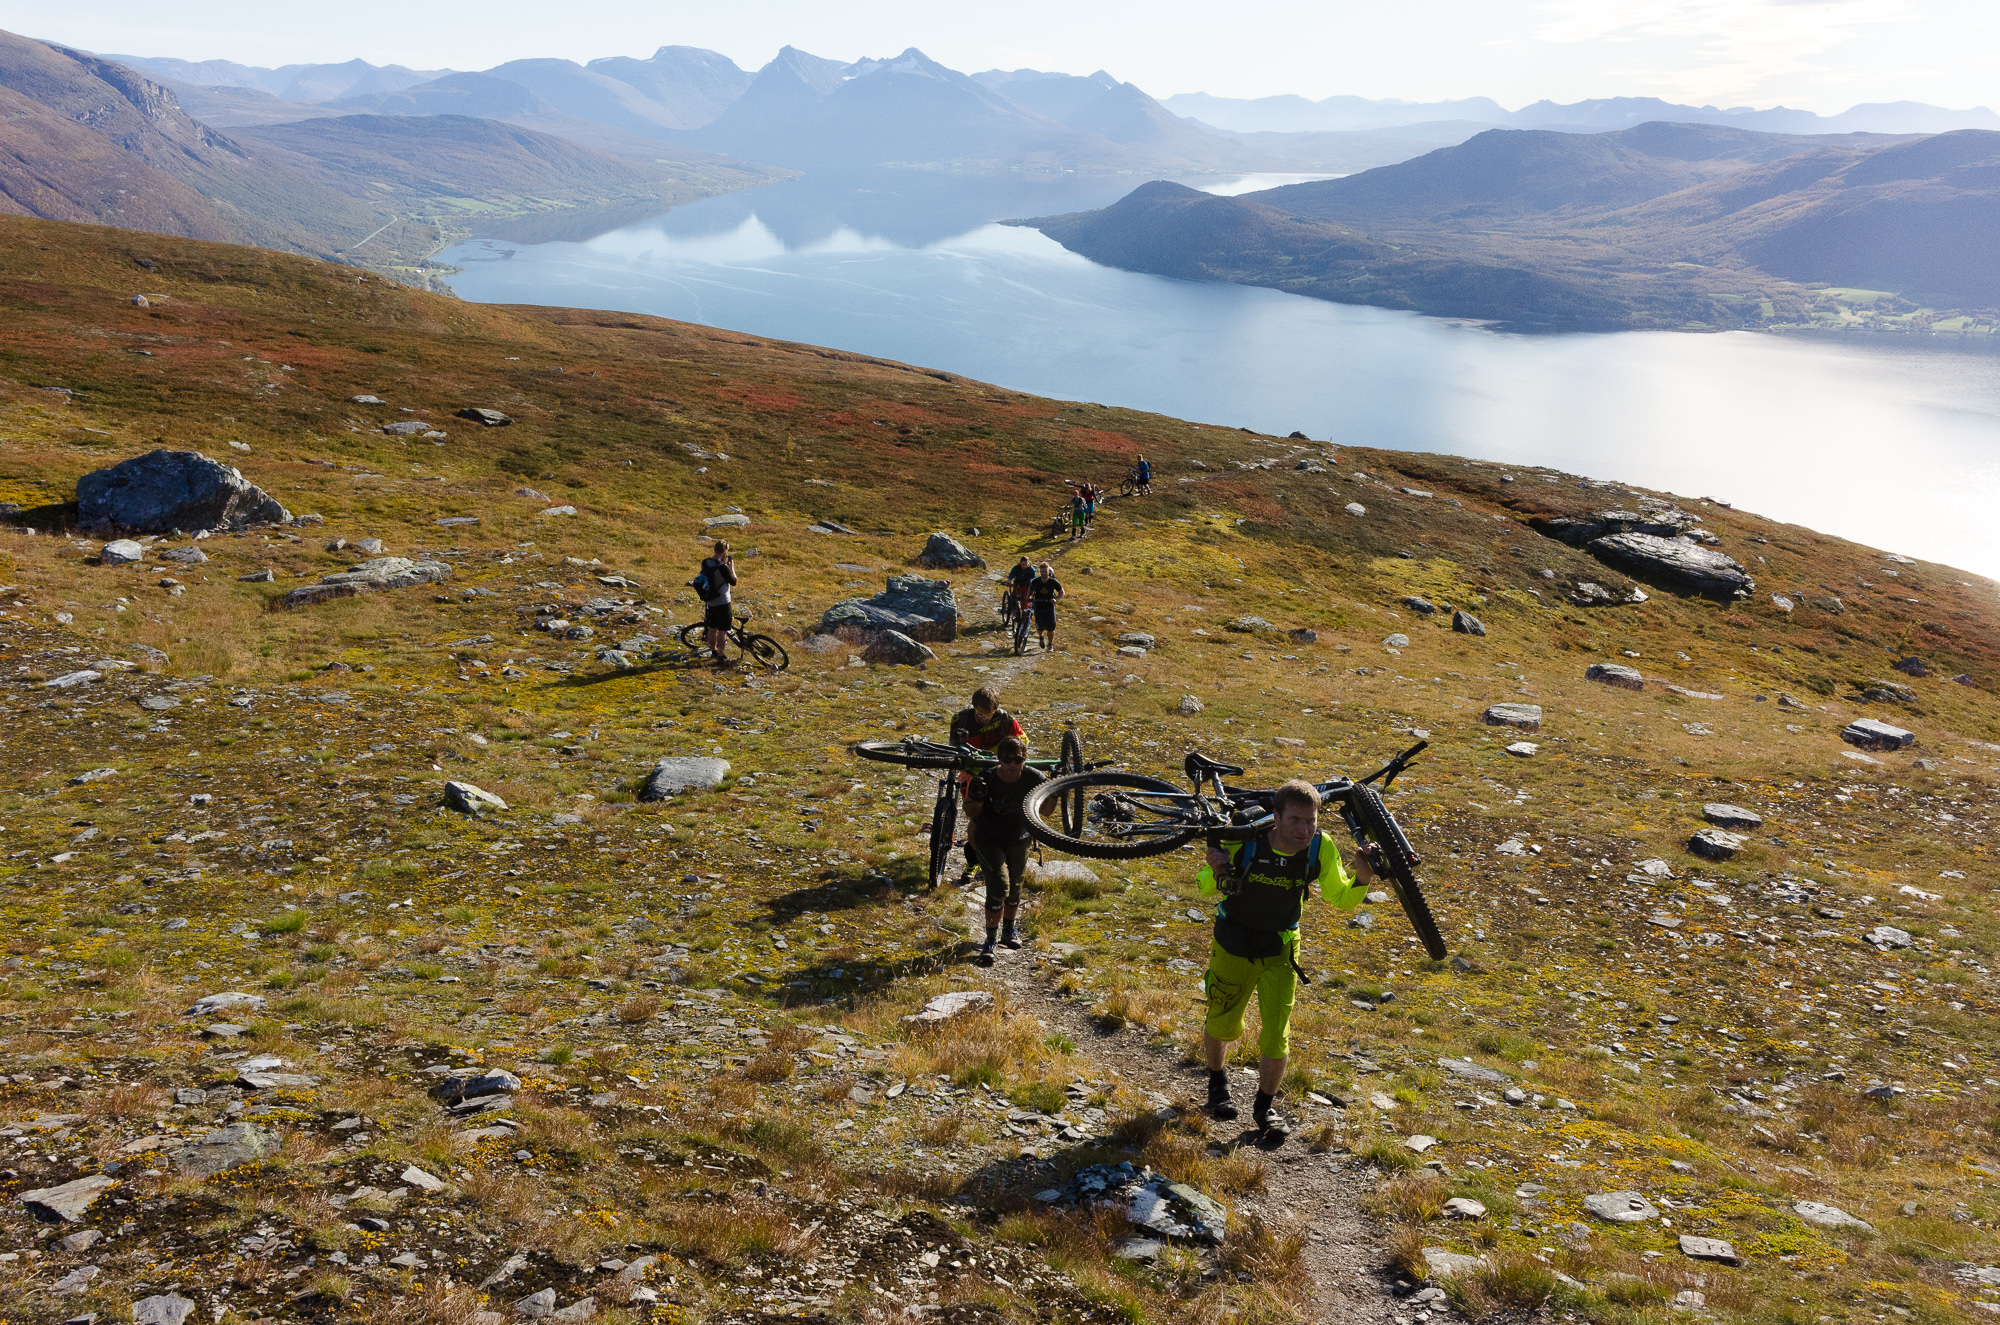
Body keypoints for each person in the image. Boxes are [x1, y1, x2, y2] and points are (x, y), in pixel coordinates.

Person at [1195, 779, 1374, 1138]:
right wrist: (1215, 868)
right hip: (1233, 944)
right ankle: (1217, 1082)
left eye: (1310, 821)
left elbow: (1341, 897)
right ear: (1275, 817)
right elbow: (1203, 885)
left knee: (1277, 1034)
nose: (1304, 830)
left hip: (1281, 949)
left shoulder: (1320, 848)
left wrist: (1363, 877)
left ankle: (1265, 1109)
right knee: (1222, 1024)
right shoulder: (1245, 839)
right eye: (1294, 820)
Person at [964, 735, 1045, 965]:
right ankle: (990, 941)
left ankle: (1009, 930)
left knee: (1015, 888)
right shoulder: (986, 778)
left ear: (1024, 760)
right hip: (988, 838)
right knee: (999, 885)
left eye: (1017, 760)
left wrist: (1056, 792)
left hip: (1019, 839)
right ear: (999, 759)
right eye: (1007, 760)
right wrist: (978, 798)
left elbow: (1047, 811)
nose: (1012, 765)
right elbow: (969, 811)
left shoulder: (1034, 778)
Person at [945, 687, 1026, 886]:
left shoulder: (1006, 721)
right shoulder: (960, 720)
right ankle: (973, 862)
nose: (983, 718)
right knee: (976, 818)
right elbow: (953, 748)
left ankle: (997, 859)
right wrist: (961, 765)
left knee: (1000, 814)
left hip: (999, 774)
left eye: (988, 715)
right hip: (972, 774)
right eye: (980, 714)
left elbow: (1023, 742)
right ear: (973, 707)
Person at [698, 540, 738, 665]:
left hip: (710, 601)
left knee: (712, 628)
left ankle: (713, 651)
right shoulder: (723, 567)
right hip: (723, 601)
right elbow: (734, 581)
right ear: (725, 551)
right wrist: (731, 568)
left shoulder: (706, 562)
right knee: (722, 630)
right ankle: (721, 656)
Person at [1029, 561, 1063, 651]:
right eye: (1042, 571)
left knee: (1051, 628)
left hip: (1049, 606)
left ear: (1048, 571)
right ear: (1040, 571)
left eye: (1045, 571)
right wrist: (1029, 597)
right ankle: (1041, 637)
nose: (1044, 573)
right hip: (1038, 606)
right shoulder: (1035, 581)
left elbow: (1061, 592)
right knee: (1039, 626)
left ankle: (1050, 644)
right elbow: (1030, 591)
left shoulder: (1053, 582)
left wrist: (1055, 599)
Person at [1004, 555, 1035, 620]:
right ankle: (1014, 611)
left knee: (1025, 600)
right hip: (1017, 585)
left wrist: (1032, 582)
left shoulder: (1031, 569)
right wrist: (1010, 581)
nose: (1024, 566)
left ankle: (1024, 613)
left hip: (1026, 586)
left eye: (1026, 564)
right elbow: (1011, 575)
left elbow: (1034, 577)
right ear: (1020, 563)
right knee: (1014, 598)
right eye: (1023, 564)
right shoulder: (1016, 568)